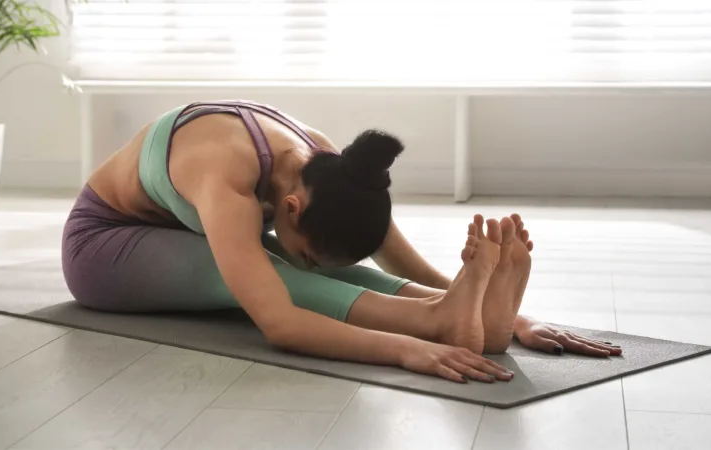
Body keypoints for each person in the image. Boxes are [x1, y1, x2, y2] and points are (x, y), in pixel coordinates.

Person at [62, 100, 621, 384]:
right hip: (105, 245)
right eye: (305, 240)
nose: (310, 253)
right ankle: (435, 323)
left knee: (312, 267)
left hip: (177, 235)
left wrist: (504, 317)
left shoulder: (331, 168)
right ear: (290, 208)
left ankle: (459, 315)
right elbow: (278, 322)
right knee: (278, 274)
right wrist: (408, 349)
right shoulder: (224, 175)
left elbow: (390, 254)